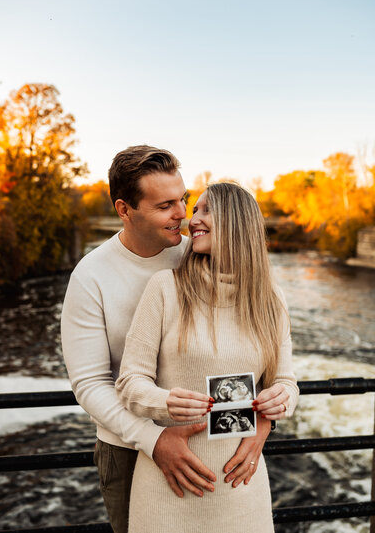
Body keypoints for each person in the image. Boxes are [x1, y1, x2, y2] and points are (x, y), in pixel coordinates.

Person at [116, 182, 299, 533]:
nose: (192, 220)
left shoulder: (271, 299)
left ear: (238, 222)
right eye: (194, 209)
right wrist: (165, 401)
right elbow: (129, 384)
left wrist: (281, 400)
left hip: (242, 488)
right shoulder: (164, 288)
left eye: (205, 210)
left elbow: (286, 382)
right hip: (169, 489)